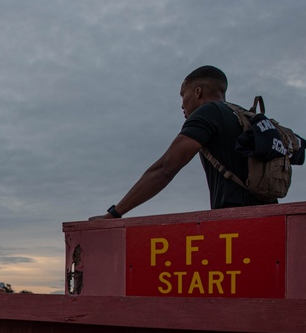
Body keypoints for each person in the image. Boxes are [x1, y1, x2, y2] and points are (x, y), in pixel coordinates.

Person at [94, 65, 277, 220]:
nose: (182, 104)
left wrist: (114, 214)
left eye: (183, 95)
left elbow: (165, 169)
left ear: (198, 92)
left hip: (235, 221)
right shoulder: (244, 116)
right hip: (271, 217)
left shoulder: (208, 112)